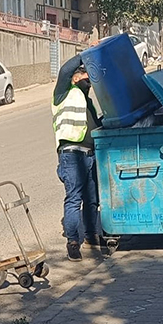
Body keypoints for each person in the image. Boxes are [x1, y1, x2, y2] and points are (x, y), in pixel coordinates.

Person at [52, 54, 102, 262]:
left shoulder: (86, 100)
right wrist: (85, 55)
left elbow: (96, 125)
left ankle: (91, 236)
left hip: (89, 154)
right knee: (74, 198)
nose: (88, 80)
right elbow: (64, 70)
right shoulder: (63, 93)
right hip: (71, 154)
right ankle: (73, 242)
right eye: (84, 75)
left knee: (92, 199)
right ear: (74, 78)